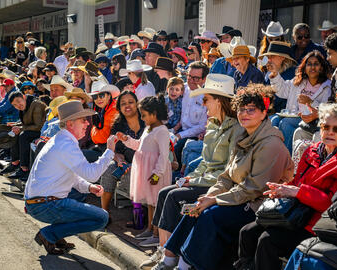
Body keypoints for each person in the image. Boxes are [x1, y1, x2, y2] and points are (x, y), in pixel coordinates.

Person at [152, 85, 293, 270]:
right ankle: (172, 259)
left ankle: (185, 265)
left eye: (251, 110)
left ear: (264, 113)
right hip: (238, 199)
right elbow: (226, 177)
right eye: (241, 109)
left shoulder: (271, 144)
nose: (244, 114)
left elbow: (254, 188)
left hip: (256, 206)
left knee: (209, 215)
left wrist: (215, 200)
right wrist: (208, 197)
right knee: (194, 208)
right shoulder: (244, 136)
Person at [139, 74, 243, 268]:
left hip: (220, 186)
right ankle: (165, 253)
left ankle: (170, 258)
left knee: (173, 197)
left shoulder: (236, 129)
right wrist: (190, 177)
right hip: (207, 179)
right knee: (165, 193)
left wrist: (194, 181)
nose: (203, 104)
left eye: (206, 99)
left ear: (219, 102)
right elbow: (206, 162)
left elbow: (229, 170)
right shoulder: (212, 126)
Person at [237, 103, 337, 270]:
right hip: (295, 213)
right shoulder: (313, 150)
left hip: (318, 223)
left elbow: (332, 204)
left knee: (267, 241)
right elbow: (298, 181)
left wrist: (297, 192)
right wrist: (282, 189)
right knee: (246, 232)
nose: (330, 132)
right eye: (325, 126)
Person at [24, 100, 118, 255]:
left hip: (40, 202)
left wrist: (89, 187)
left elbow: (71, 175)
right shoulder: (66, 144)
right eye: (83, 120)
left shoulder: (62, 140)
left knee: (78, 204)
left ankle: (55, 235)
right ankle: (50, 234)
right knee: (102, 218)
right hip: (45, 204)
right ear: (70, 124)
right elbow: (92, 174)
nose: (87, 124)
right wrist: (109, 152)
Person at [116, 95, 172, 248]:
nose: (142, 118)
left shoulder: (162, 131)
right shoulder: (148, 128)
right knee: (149, 202)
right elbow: (139, 145)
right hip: (145, 169)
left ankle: (156, 234)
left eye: (144, 115)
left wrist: (157, 173)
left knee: (155, 201)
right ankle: (149, 229)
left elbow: (164, 155)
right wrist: (126, 139)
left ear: (154, 113)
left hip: (154, 171)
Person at [269, 50, 331, 153]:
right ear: (304, 67)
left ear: (321, 67)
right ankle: (273, 155)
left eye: (316, 64)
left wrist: (311, 102)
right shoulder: (299, 81)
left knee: (285, 123)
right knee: (273, 119)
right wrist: (275, 74)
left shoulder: (327, 86)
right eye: (309, 64)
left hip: (312, 120)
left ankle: (286, 158)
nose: (312, 67)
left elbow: (327, 109)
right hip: (294, 115)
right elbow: (282, 91)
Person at [99, 91, 145, 218]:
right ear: (119, 107)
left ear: (137, 104)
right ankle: (104, 213)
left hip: (144, 161)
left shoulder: (146, 121)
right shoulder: (117, 125)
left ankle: (138, 216)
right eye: (123, 103)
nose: (127, 106)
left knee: (132, 174)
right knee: (109, 170)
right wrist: (119, 159)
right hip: (125, 161)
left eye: (131, 102)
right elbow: (113, 150)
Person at [2, 91, 46, 180]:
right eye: (15, 105)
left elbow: (38, 126)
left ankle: (24, 168)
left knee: (23, 135)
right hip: (33, 130)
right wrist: (15, 125)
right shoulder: (25, 107)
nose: (18, 105)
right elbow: (27, 123)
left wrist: (20, 128)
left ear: (23, 97)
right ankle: (15, 163)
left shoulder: (36, 105)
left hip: (41, 131)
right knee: (14, 132)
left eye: (18, 101)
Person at [173, 61, 208, 166]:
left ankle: (177, 174)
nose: (191, 81)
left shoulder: (206, 97)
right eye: (189, 76)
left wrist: (180, 135)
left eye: (196, 78)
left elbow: (202, 126)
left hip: (194, 135)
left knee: (177, 147)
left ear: (204, 79)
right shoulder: (182, 89)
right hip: (179, 128)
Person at [261, 41, 297, 112]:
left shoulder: (292, 73)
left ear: (282, 57)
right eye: (268, 57)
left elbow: (278, 98)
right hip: (270, 110)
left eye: (272, 56)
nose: (269, 60)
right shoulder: (269, 73)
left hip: (285, 112)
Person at [90, 80, 120, 149]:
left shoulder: (113, 110)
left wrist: (94, 130)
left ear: (109, 96)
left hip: (115, 149)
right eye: (95, 97)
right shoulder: (101, 109)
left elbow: (103, 138)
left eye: (101, 95)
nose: (98, 99)